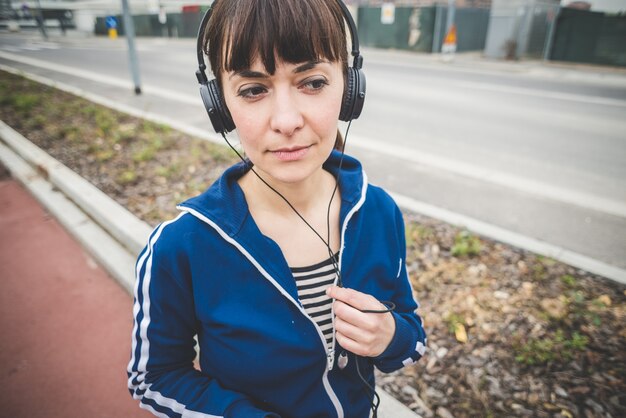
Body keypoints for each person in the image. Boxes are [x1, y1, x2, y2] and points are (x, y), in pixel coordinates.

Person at [127, 1, 427, 417]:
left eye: (313, 82)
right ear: (220, 105)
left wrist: (390, 336)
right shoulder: (181, 247)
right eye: (253, 90)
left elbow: (411, 337)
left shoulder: (377, 211)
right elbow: (153, 378)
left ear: (350, 87)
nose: (286, 120)